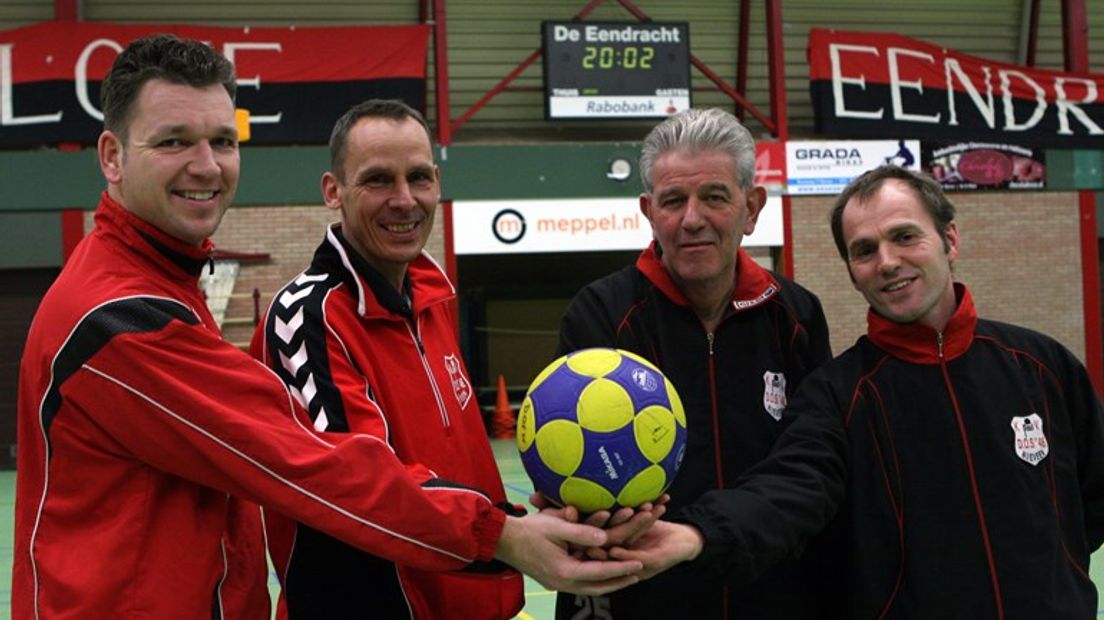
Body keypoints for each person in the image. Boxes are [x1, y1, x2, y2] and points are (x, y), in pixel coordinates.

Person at [13, 35, 648, 620]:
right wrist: (503, 535)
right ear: (112, 157)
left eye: (223, 140)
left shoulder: (163, 284)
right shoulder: (122, 318)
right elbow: (318, 466)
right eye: (173, 141)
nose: (206, 165)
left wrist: (509, 522)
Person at [612, 165, 1104, 618]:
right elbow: (786, 489)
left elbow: (1092, 504)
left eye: (904, 237)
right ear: (851, 270)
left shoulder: (1042, 366)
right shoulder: (836, 396)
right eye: (864, 250)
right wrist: (699, 532)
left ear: (949, 239)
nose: (887, 262)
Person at [554, 107, 832, 619]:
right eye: (674, 200)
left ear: (752, 209)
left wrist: (703, 534)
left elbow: (811, 473)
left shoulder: (795, 316)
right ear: (647, 210)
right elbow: (575, 475)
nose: (692, 219)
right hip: (643, 598)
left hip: (773, 592)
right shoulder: (602, 316)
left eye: (715, 197)